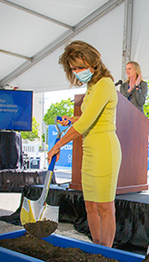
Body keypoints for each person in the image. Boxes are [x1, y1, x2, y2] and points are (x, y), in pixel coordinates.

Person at [47, 41, 122, 247]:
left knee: (105, 207)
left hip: (104, 149)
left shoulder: (105, 84)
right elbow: (86, 118)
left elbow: (87, 122)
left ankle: (105, 254)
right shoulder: (92, 86)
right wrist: (71, 120)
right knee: (90, 205)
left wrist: (57, 145)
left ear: (93, 61)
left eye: (80, 66)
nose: (77, 71)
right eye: (73, 69)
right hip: (90, 149)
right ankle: (96, 247)